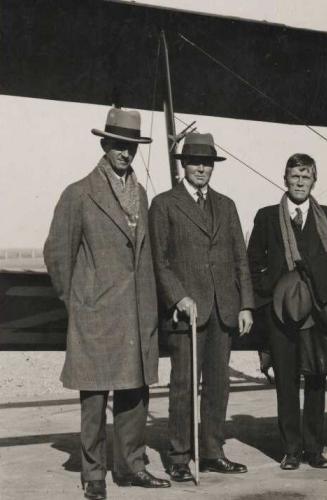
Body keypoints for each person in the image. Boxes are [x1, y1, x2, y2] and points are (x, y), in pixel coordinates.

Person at [44, 107, 170, 500]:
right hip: (96, 315)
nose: (125, 154)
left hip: (137, 313)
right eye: (118, 145)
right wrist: (80, 301)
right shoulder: (79, 193)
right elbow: (57, 254)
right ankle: (93, 474)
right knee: (95, 398)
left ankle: (131, 466)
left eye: (131, 147)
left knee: (134, 393)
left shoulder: (141, 193)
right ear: (104, 144)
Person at [149, 132, 254, 481]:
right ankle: (179, 456)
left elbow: (241, 258)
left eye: (207, 163)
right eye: (195, 161)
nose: (201, 168)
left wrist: (246, 306)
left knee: (218, 385)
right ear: (183, 165)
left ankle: (211, 451)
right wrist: (178, 297)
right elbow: (159, 261)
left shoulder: (227, 205)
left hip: (223, 310)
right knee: (183, 386)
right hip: (187, 315)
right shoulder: (164, 204)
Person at [247, 153, 327, 470]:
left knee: (316, 378)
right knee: (285, 380)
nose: (299, 182)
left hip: (318, 314)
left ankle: (314, 448)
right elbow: (253, 263)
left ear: (314, 180)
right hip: (282, 314)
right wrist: (273, 292)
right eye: (294, 176)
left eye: (305, 177)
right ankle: (291, 450)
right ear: (285, 179)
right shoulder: (267, 217)